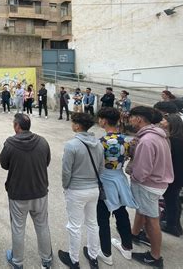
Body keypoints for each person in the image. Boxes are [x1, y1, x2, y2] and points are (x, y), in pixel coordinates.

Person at [0, 114, 53, 269]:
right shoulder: (43, 141)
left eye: (13, 124)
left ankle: (17, 262)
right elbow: (46, 162)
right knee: (42, 225)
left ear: (17, 126)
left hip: (18, 194)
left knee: (18, 228)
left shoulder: (10, 144)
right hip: (40, 192)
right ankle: (46, 260)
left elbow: (4, 164)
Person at [128, 106, 173, 268]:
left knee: (151, 220)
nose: (129, 120)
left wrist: (133, 177)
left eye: (131, 117)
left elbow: (141, 171)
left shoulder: (147, 141)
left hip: (148, 185)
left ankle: (155, 256)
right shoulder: (157, 135)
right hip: (158, 181)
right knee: (143, 211)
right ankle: (134, 233)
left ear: (139, 119)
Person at [58, 112, 104, 269]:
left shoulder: (71, 145)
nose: (72, 125)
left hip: (76, 190)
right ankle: (93, 256)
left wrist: (66, 186)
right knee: (92, 223)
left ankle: (74, 259)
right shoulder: (98, 144)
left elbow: (66, 171)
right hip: (93, 189)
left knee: (74, 225)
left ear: (77, 125)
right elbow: (101, 168)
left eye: (73, 122)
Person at [96, 108, 137, 265]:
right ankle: (127, 246)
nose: (99, 121)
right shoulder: (126, 140)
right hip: (120, 178)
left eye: (100, 119)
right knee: (121, 213)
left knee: (102, 217)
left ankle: (106, 252)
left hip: (105, 180)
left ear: (104, 121)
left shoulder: (101, 142)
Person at [159, 114, 183, 235]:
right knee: (174, 198)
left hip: (174, 174)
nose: (162, 121)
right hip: (180, 173)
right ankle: (175, 223)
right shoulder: (180, 138)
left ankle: (171, 225)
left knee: (171, 199)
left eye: (164, 120)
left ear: (171, 123)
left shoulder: (173, 140)